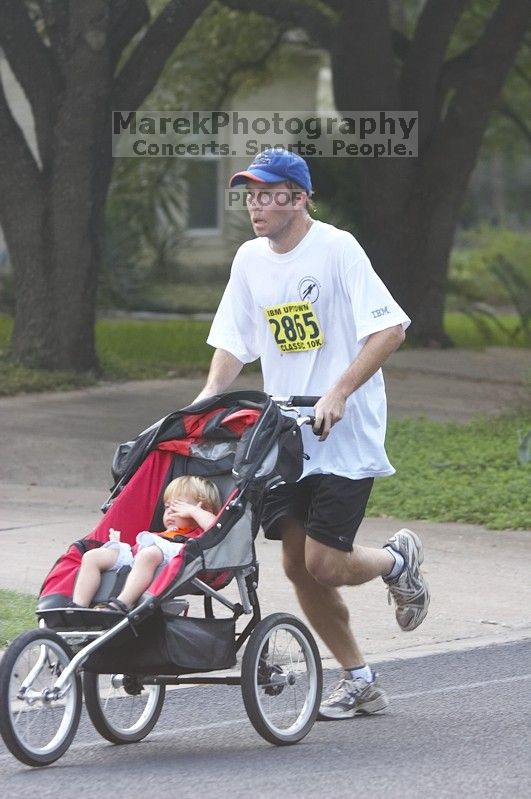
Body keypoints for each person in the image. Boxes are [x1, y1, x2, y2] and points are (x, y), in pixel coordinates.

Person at [193, 148, 430, 719]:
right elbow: (233, 339)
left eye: (269, 194)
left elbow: (391, 329)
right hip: (285, 435)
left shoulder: (337, 249)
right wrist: (207, 397)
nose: (256, 205)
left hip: (343, 433)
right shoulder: (250, 260)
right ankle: (361, 679)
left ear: (299, 199)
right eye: (250, 195)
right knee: (297, 566)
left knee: (325, 563)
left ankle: (397, 562)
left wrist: (339, 391)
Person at [71, 476, 221, 612]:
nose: (169, 511)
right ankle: (78, 607)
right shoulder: (163, 533)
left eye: (177, 507)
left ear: (203, 508)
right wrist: (116, 544)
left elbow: (218, 528)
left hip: (179, 557)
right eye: (167, 506)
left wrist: (194, 511)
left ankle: (123, 603)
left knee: (149, 553)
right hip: (139, 555)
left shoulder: (200, 531)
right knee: (92, 556)